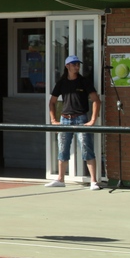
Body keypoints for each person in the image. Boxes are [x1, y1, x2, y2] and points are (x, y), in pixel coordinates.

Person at [46, 55, 102, 190]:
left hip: (81, 118)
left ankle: (93, 181)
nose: (77, 66)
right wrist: (53, 119)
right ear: (67, 66)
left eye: (78, 64)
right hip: (65, 119)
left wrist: (93, 120)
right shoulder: (62, 82)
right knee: (62, 148)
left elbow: (96, 100)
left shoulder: (84, 81)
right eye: (74, 64)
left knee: (86, 147)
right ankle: (60, 179)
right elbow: (52, 102)